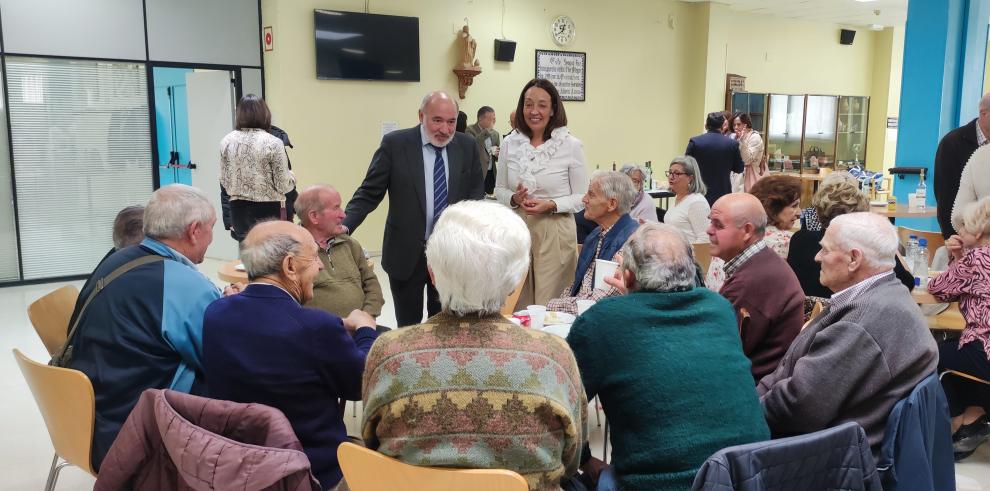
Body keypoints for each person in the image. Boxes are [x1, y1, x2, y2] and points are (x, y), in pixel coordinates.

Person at [361, 201, 587, 491]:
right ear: (516, 278)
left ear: (431, 272)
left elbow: (371, 440)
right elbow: (570, 458)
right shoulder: (554, 355)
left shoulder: (388, 351)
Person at [568, 223, 770, 490]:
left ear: (627, 276)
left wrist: (585, 460)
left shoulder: (602, 319)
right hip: (747, 474)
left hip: (660, 484)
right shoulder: (719, 308)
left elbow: (563, 406)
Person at [203, 220, 379, 491]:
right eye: (313, 259)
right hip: (311, 472)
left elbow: (272, 324)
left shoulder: (215, 314)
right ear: (289, 266)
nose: (320, 266)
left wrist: (335, 324)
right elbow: (360, 384)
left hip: (240, 466)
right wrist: (366, 329)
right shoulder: (316, 328)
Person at [66, 184, 221, 470]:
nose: (213, 237)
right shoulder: (184, 285)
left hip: (88, 419)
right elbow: (219, 361)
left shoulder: (114, 260)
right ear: (194, 230)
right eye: (212, 227)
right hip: (137, 435)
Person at [758, 212, 939, 456]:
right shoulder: (890, 292)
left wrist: (745, 411)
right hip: (843, 445)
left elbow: (798, 408)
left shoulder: (862, 322)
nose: (816, 257)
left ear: (854, 259)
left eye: (825, 250)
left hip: (831, 460)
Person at [342, 91, 484, 327]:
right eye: (437, 120)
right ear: (421, 116)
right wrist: (344, 226)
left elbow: (475, 197)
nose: (445, 129)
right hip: (405, 255)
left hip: (451, 255)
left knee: (445, 325)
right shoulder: (396, 144)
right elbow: (369, 192)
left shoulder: (466, 146)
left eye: (451, 122)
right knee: (408, 327)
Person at [495, 78, 589, 308]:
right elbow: (499, 189)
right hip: (518, 229)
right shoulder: (510, 143)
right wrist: (514, 198)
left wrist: (551, 205)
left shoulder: (570, 145)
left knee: (550, 304)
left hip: (555, 231)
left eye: (542, 105)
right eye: (528, 104)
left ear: (553, 109)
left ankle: (553, 344)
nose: (533, 111)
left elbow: (581, 196)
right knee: (516, 301)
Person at [706, 193, 804, 381]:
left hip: (752, 389)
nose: (708, 230)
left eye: (718, 225)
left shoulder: (751, 281)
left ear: (747, 231)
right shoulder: (761, 263)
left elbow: (716, 351)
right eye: (710, 222)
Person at [787, 172, 915, 299]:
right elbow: (906, 283)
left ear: (819, 212)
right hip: (855, 315)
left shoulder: (799, 240)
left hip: (809, 316)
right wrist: (889, 247)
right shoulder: (865, 248)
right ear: (861, 215)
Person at [928, 197, 990, 459]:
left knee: (928, 353)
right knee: (953, 351)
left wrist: (956, 256)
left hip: (985, 350)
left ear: (976, 232)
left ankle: (954, 422)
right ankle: (972, 420)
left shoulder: (976, 258)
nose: (958, 232)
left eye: (963, 227)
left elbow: (938, 289)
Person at [548, 171, 640, 314]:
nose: (584, 199)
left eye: (591, 195)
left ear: (612, 204)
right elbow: (578, 286)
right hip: (580, 315)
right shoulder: (596, 235)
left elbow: (603, 300)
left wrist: (551, 306)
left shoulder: (632, 241)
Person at [295, 184, 384, 319]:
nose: (343, 215)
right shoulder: (292, 250)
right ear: (314, 216)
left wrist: (366, 317)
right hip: (319, 333)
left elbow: (372, 286)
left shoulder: (350, 244)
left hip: (361, 326)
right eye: (336, 208)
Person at [220, 94, 295, 241]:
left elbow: (225, 182)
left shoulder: (226, 141)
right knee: (272, 257)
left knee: (249, 257)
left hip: (238, 210)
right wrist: (291, 177)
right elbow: (283, 185)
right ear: (265, 114)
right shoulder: (274, 142)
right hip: (269, 211)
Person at [706, 174, 801, 291]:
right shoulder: (787, 241)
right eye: (794, 206)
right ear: (773, 206)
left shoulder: (728, 237)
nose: (799, 213)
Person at [935, 92, 990, 238]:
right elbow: (945, 197)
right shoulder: (952, 143)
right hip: (964, 237)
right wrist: (951, 237)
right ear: (984, 114)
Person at [686, 112, 745, 205]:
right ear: (723, 126)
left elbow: (686, 166)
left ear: (706, 126)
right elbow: (739, 168)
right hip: (722, 194)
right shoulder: (732, 144)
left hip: (698, 192)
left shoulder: (695, 142)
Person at [662, 156, 710, 244]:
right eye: (670, 172)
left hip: (689, 256)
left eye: (676, 173)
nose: (671, 177)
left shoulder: (697, 202)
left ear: (690, 178)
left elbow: (705, 239)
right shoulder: (678, 197)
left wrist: (684, 254)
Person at [951, 142, 990, 235]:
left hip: (979, 236)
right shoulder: (980, 156)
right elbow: (959, 216)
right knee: (943, 250)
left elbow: (959, 216)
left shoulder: (980, 155)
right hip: (979, 237)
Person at [465, 106, 501, 194]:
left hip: (491, 173)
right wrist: (487, 130)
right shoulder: (470, 130)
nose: (493, 121)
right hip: (477, 173)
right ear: (480, 119)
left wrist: (498, 154)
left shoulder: (495, 134)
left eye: (494, 118)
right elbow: (473, 145)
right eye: (491, 119)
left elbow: (496, 155)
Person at [733, 112, 767, 191]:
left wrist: (742, 141)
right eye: (734, 125)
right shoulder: (735, 137)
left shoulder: (754, 137)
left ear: (746, 124)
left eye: (739, 124)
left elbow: (747, 160)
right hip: (737, 177)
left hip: (749, 176)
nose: (735, 127)